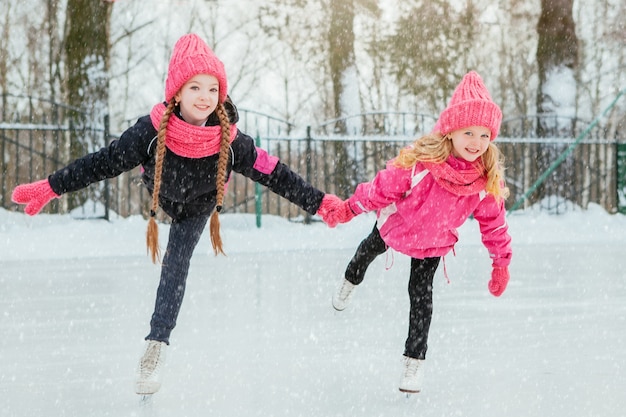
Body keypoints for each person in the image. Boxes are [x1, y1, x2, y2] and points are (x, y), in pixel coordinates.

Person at [12, 33, 342, 396]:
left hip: (199, 207)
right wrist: (52, 186)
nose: (205, 97)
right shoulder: (150, 132)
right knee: (171, 253)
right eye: (195, 87)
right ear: (177, 93)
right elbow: (103, 163)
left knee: (176, 261)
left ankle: (155, 346)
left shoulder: (231, 140)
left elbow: (275, 173)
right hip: (161, 194)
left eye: (213, 89)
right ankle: (156, 342)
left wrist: (319, 202)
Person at [318, 71, 512, 394]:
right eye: (468, 132)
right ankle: (350, 279)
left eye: (484, 135)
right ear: (450, 131)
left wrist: (500, 262)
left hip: (434, 242)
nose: (476, 143)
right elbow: (380, 189)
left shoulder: (485, 179)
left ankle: (414, 361)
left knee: (421, 297)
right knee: (367, 252)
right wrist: (349, 208)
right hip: (398, 225)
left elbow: (495, 223)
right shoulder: (421, 164)